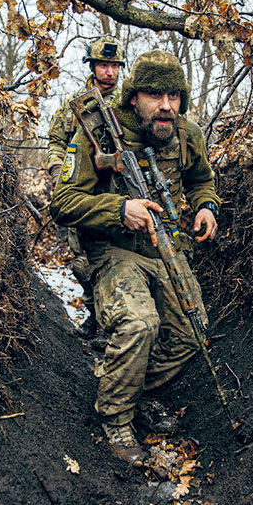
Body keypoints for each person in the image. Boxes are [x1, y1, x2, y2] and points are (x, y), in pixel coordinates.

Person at [49, 50, 221, 464]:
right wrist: (118, 210)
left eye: (174, 96)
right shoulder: (98, 132)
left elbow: (202, 180)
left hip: (166, 246)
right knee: (140, 323)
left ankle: (127, 386)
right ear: (132, 97)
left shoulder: (186, 133)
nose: (166, 106)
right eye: (154, 95)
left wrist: (206, 206)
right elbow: (63, 201)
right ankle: (116, 418)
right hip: (113, 250)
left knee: (191, 332)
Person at [46, 35, 125, 345]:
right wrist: (58, 171)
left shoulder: (127, 103)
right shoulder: (75, 105)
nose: (109, 72)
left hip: (118, 195)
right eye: (103, 65)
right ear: (93, 67)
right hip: (83, 194)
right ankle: (95, 315)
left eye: (114, 66)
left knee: (114, 260)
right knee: (83, 262)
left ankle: (112, 324)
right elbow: (55, 141)